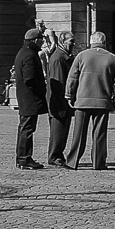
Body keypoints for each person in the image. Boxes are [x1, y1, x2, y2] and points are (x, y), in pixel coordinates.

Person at [61, 32, 115, 171]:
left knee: (79, 133)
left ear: (91, 42)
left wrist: (69, 95)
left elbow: (72, 78)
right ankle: (98, 162)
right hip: (103, 101)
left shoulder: (81, 56)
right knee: (99, 134)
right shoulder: (113, 58)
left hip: (82, 100)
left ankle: (73, 161)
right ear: (105, 42)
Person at [11, 26, 48, 170]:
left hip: (26, 97)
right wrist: (41, 88)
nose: (42, 43)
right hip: (30, 98)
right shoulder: (29, 55)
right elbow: (30, 77)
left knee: (25, 128)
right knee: (27, 129)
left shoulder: (24, 52)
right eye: (41, 40)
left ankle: (23, 158)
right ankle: (24, 158)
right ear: (35, 40)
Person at [42, 29, 75, 168]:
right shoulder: (58, 58)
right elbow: (58, 83)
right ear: (62, 41)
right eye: (71, 41)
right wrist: (62, 102)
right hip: (58, 102)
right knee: (58, 131)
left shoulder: (65, 56)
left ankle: (58, 154)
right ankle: (54, 156)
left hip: (63, 102)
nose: (73, 43)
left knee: (62, 131)